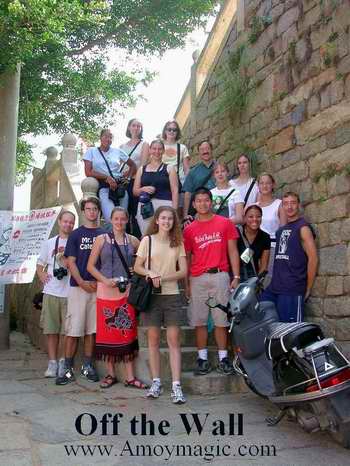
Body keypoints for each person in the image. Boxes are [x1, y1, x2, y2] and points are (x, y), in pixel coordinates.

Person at [87, 207, 147, 389]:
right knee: (108, 333)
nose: (119, 222)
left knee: (127, 332)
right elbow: (90, 266)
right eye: (116, 219)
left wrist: (136, 269)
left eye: (123, 219)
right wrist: (105, 280)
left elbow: (147, 256)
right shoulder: (101, 240)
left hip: (126, 291)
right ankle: (110, 374)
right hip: (105, 290)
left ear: (127, 220)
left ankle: (130, 376)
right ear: (111, 220)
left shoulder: (133, 240)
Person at [183, 188, 240, 376]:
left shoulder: (224, 223)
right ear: (194, 204)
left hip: (219, 275)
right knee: (199, 320)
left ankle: (224, 358)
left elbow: (233, 251)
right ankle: (203, 359)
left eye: (206, 200)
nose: (202, 204)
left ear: (212, 202)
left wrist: (236, 276)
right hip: (198, 277)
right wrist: (187, 283)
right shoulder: (189, 230)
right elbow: (187, 258)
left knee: (221, 320)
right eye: (198, 201)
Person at [134, 206, 187, 403]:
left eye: (170, 219)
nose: (166, 221)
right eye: (163, 218)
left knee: (174, 340)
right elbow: (137, 266)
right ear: (156, 220)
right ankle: (156, 382)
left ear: (174, 222)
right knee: (153, 340)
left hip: (172, 294)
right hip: (152, 296)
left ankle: (176, 385)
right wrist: (150, 273)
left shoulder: (177, 242)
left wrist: (163, 277)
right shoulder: (147, 240)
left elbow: (183, 271)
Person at [56, 198, 105, 385]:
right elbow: (71, 262)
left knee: (91, 331)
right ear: (84, 212)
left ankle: (87, 366)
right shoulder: (76, 235)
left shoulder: (104, 234)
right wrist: (82, 281)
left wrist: (96, 281)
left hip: (97, 287)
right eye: (88, 209)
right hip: (78, 287)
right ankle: (67, 369)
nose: (92, 212)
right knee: (73, 330)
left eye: (95, 209)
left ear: (99, 212)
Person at [261, 192, 318, 322]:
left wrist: (308, 288)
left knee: (291, 331)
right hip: (274, 287)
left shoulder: (303, 227)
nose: (289, 207)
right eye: (286, 204)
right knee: (264, 322)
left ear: (298, 205)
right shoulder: (281, 230)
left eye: (293, 203)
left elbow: (313, 259)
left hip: (292, 288)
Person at [36, 210, 76, 378]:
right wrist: (42, 274)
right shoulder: (49, 243)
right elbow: (40, 265)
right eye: (65, 221)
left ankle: (62, 362)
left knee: (67, 332)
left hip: (70, 293)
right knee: (51, 330)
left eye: (71, 222)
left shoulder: (75, 243)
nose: (67, 224)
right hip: (52, 291)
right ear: (59, 222)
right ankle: (52, 363)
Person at [83, 128, 136, 223]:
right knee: (110, 218)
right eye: (106, 136)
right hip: (104, 187)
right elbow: (88, 172)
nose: (108, 139)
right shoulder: (91, 151)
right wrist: (106, 177)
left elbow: (133, 165)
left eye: (110, 137)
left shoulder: (117, 151)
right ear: (100, 138)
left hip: (119, 187)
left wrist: (127, 178)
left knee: (123, 218)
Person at [133, 139, 179, 235]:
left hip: (165, 206)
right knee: (147, 236)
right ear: (150, 150)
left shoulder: (170, 168)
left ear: (163, 151)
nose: (157, 151)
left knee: (166, 236)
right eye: (154, 149)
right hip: (145, 207)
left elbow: (175, 190)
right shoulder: (142, 169)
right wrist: (143, 189)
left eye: (159, 149)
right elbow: (135, 191)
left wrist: (174, 211)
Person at [119, 119, 149, 237]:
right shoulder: (122, 146)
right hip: (123, 182)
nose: (136, 128)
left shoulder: (144, 144)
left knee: (136, 213)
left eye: (138, 126)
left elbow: (143, 165)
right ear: (129, 127)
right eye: (133, 125)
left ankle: (137, 240)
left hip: (136, 181)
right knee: (123, 211)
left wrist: (130, 173)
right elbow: (119, 165)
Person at [256, 173, 287, 279]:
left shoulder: (279, 204)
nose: (265, 186)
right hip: (256, 249)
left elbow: (284, 231)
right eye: (262, 183)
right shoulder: (253, 207)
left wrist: (282, 254)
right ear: (258, 186)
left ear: (273, 185)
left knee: (269, 279)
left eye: (268, 183)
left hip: (272, 248)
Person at [182, 140, 216, 223]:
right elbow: (188, 194)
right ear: (199, 153)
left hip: (217, 207)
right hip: (200, 210)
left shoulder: (220, 168)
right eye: (202, 149)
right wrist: (185, 215)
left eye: (207, 148)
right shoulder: (193, 172)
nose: (205, 151)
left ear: (211, 150)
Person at [237, 205, 270, 281]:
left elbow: (264, 266)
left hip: (252, 278)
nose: (255, 219)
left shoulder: (265, 237)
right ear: (245, 218)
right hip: (235, 276)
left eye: (258, 216)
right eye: (251, 217)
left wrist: (257, 282)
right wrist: (235, 277)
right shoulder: (236, 233)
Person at [161, 120, 190, 187]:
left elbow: (186, 168)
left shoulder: (183, 148)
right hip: (162, 181)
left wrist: (188, 185)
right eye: (169, 129)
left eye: (174, 130)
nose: (172, 131)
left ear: (177, 132)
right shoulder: (159, 147)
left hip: (179, 181)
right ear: (165, 131)